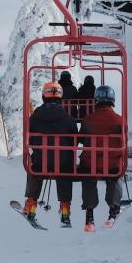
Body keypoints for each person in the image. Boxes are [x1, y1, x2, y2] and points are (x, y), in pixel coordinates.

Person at [24, 81, 79, 227]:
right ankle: (65, 210)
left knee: (34, 168)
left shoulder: (35, 118)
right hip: (63, 164)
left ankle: (31, 205)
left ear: (44, 96)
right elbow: (75, 140)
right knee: (65, 169)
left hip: (41, 162)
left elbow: (29, 137)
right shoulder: (68, 119)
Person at [80, 84, 126, 231]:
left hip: (90, 163)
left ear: (96, 100)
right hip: (112, 164)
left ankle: (89, 212)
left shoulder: (88, 119)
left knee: (88, 177)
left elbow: (81, 139)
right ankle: (114, 208)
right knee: (114, 175)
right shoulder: (119, 120)